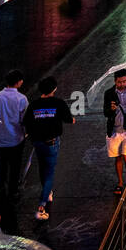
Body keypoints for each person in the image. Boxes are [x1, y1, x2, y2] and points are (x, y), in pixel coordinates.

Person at [23, 77, 75, 222]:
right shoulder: (58, 103)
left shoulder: (33, 105)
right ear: (54, 89)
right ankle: (42, 204)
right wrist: (72, 120)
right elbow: (68, 118)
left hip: (37, 143)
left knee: (42, 167)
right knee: (50, 171)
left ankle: (48, 192)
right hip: (52, 142)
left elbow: (26, 122)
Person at [0, 70, 27, 218]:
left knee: (2, 163)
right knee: (15, 165)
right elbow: (24, 118)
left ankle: (0, 189)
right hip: (16, 138)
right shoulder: (21, 98)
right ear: (18, 82)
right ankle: (13, 191)